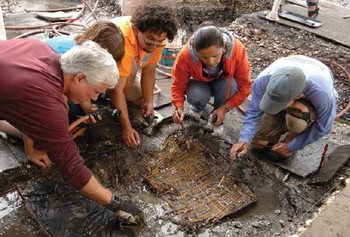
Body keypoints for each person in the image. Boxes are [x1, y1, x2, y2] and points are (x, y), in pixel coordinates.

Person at [0, 39, 143, 225]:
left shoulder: (42, 49)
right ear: (79, 78)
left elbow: (28, 110)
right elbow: (72, 168)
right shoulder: (48, 105)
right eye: (95, 91)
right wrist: (116, 204)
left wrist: (36, 146)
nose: (95, 98)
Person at [0, 20, 125, 167]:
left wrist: (89, 111)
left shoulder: (77, 60)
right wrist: (31, 150)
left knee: (66, 116)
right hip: (20, 93)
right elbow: (29, 110)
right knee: (49, 131)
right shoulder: (62, 60)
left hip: (20, 84)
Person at [230, 55, 336, 161]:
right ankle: (281, 120)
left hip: (314, 83)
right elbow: (254, 111)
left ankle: (291, 136)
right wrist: (244, 139)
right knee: (258, 143)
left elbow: (323, 127)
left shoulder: (322, 95)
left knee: (298, 118)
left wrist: (292, 146)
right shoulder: (263, 80)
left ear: (298, 96)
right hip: (291, 66)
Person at [109, 4, 178, 148]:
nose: (154, 46)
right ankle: (113, 106)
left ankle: (119, 104)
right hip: (100, 69)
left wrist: (149, 102)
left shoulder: (159, 40)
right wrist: (126, 128)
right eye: (149, 40)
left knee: (140, 100)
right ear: (137, 29)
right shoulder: (125, 39)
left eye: (159, 42)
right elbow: (117, 90)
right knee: (131, 69)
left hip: (121, 70)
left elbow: (150, 71)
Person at [171, 23, 251, 136]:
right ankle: (197, 107)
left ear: (223, 46)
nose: (211, 62)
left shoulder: (237, 51)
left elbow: (245, 87)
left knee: (232, 84)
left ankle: (217, 117)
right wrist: (178, 107)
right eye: (204, 57)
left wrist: (225, 108)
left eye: (215, 56)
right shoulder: (186, 55)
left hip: (224, 85)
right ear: (196, 51)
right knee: (195, 93)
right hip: (201, 84)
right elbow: (177, 85)